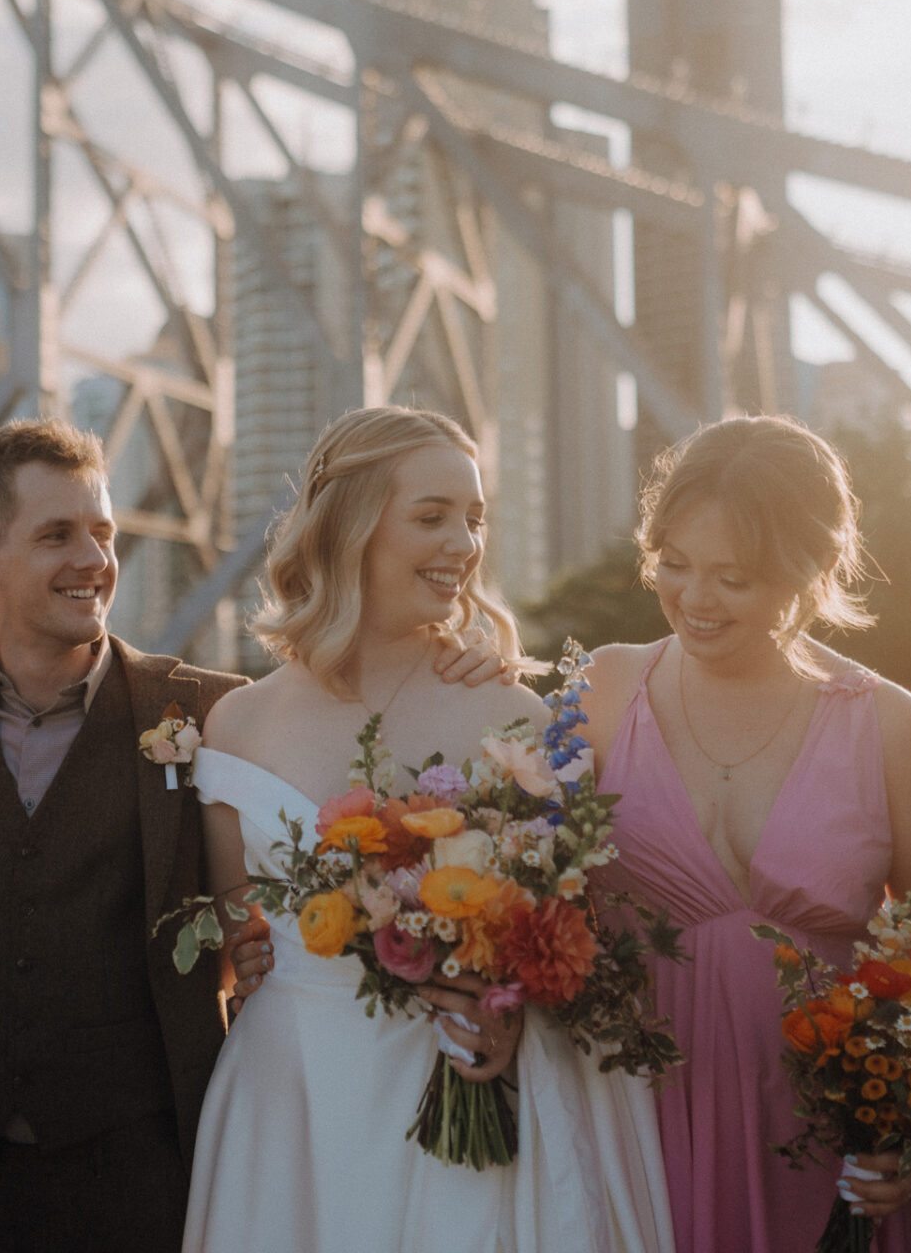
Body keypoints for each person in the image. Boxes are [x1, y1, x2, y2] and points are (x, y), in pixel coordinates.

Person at [0, 416, 519, 1252]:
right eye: (57, 535)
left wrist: (467, 659)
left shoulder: (210, 711)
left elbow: (344, 736)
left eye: (103, 532)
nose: (93, 560)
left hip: (141, 1169)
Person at [180, 405, 675, 1252]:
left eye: (475, 519)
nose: (463, 545)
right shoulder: (237, 725)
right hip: (294, 1107)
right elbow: (238, 951)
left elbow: (574, 933)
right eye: (432, 516)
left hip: (467, 1087)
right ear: (353, 525)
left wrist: (511, 1008)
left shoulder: (513, 714)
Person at [579, 415, 911, 1253]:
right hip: (638, 1125)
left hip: (831, 1146)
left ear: (814, 568)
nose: (693, 599)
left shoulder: (892, 727)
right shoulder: (604, 688)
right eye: (673, 565)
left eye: (733, 577)